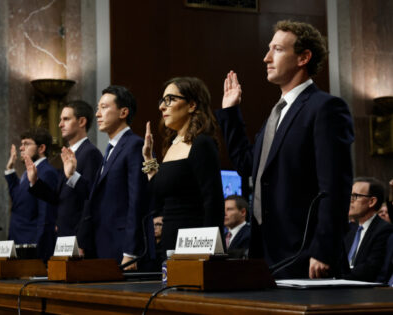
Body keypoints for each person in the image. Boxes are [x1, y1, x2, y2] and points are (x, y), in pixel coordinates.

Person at [215, 20, 354, 278]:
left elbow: (335, 186)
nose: (266, 57)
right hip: (266, 252)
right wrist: (231, 113)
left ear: (303, 57)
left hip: (306, 254)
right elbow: (247, 166)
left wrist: (324, 248)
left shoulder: (325, 108)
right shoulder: (275, 116)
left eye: (277, 49)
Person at [62, 86, 151, 270]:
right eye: (97, 108)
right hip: (103, 243)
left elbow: (138, 201)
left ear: (123, 112)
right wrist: (73, 175)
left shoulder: (134, 145)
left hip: (123, 247)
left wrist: (131, 252)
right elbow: (97, 196)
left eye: (104, 107)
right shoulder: (111, 148)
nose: (97, 114)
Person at [142, 77, 224, 259]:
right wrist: (149, 159)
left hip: (196, 241)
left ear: (192, 105)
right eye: (162, 101)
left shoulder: (202, 143)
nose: (162, 107)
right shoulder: (171, 145)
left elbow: (213, 201)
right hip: (170, 239)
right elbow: (158, 196)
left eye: (170, 99)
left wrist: (209, 251)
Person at [26, 101, 102, 238]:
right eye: (60, 120)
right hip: (64, 234)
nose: (60, 124)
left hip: (78, 238)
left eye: (66, 119)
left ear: (82, 121)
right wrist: (35, 182)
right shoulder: (68, 153)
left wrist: (82, 240)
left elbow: (91, 199)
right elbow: (58, 197)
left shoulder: (90, 153)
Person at [5, 128, 58, 261]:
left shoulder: (47, 172)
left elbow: (45, 213)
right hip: (18, 239)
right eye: (21, 144)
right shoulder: (28, 171)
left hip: (32, 243)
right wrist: (10, 169)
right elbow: (18, 201)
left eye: (27, 144)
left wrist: (39, 245)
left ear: (41, 148)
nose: (21, 148)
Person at [344, 177, 393, 281]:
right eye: (350, 195)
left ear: (372, 202)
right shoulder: (350, 230)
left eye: (355, 196)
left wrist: (339, 276)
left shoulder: (384, 230)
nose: (350, 201)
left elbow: (370, 269)